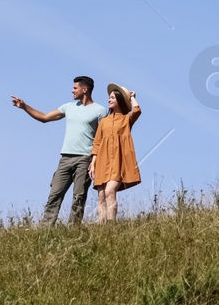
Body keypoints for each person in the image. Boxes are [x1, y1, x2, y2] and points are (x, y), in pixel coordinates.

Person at [11, 76, 106, 226]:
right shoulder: (68, 107)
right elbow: (44, 117)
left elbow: (103, 138)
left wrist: (95, 160)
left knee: (79, 196)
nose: (72, 90)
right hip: (65, 158)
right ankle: (45, 227)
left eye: (75, 88)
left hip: (85, 159)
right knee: (55, 193)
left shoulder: (100, 110)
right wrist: (24, 107)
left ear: (84, 89)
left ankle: (73, 228)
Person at [89, 83, 141, 222]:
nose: (109, 100)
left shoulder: (126, 119)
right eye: (109, 97)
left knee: (109, 191)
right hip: (102, 161)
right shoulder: (104, 121)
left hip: (118, 162)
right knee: (101, 196)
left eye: (112, 97)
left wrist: (131, 97)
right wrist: (93, 163)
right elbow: (97, 143)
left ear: (119, 100)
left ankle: (111, 224)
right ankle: (101, 226)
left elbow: (137, 111)